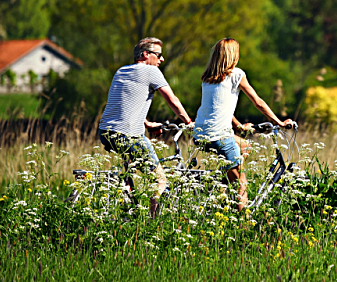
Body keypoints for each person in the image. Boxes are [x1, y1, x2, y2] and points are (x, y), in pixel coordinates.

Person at [193, 38, 295, 210]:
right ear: (233, 56)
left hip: (200, 133)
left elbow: (219, 107)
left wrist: (238, 126)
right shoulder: (237, 74)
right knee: (242, 183)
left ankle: (223, 189)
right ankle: (243, 226)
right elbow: (258, 102)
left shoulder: (208, 78)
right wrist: (279, 122)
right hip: (220, 135)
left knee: (245, 145)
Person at [99, 38, 194, 217]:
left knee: (130, 171)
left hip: (105, 132)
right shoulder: (151, 71)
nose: (162, 59)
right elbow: (172, 100)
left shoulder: (121, 71)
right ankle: (152, 224)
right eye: (158, 55)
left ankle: (126, 206)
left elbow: (125, 104)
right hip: (128, 135)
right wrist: (189, 122)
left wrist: (147, 123)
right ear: (145, 55)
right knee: (159, 180)